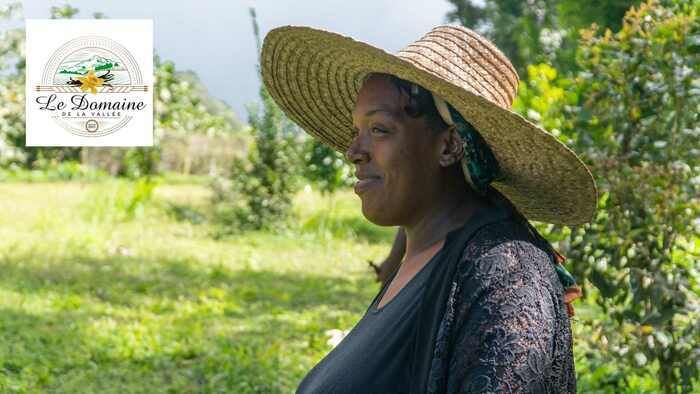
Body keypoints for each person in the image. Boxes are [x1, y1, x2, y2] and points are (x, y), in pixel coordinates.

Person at [260, 24, 596, 393]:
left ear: (449, 146)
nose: (353, 152)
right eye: (357, 131)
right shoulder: (422, 259)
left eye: (379, 130)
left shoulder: (506, 277)